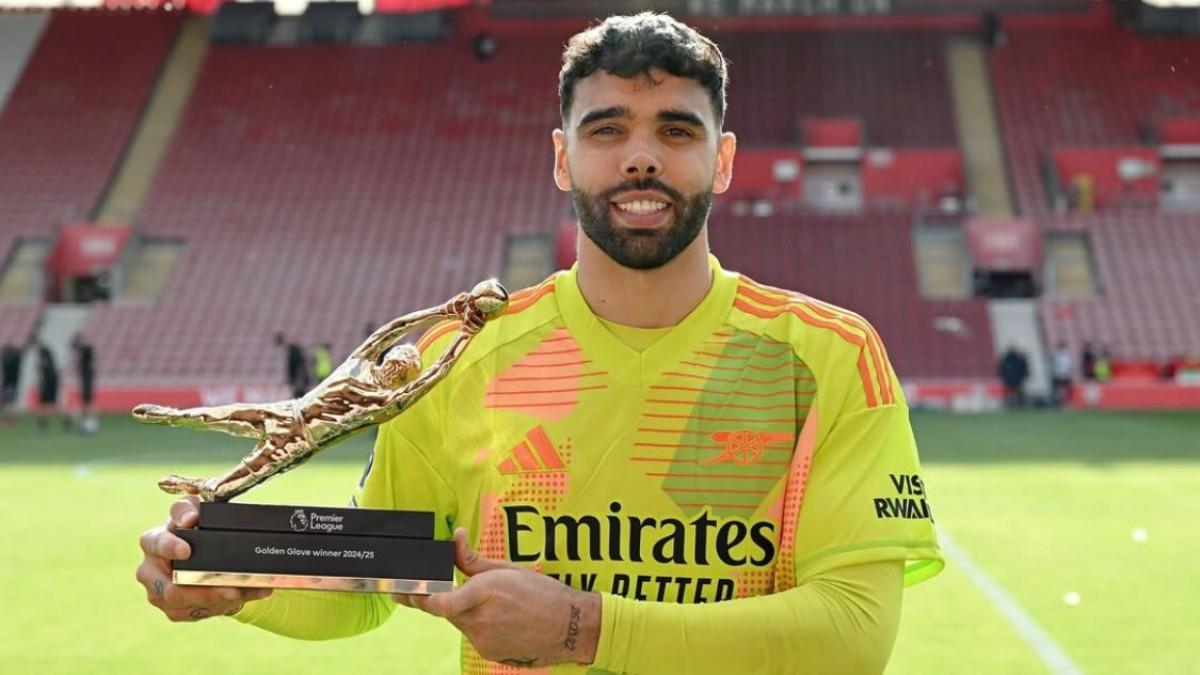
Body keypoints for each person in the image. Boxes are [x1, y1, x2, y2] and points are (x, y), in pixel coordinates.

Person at [137, 14, 942, 674]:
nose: (640, 156)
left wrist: (583, 628)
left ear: (722, 161)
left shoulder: (829, 355)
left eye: (676, 130)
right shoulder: (459, 355)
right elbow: (370, 583)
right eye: (607, 129)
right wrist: (237, 577)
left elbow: (854, 631)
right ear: (563, 158)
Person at [72, 333, 98, 434]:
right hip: (85, 379)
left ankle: (90, 422)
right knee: (86, 402)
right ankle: (88, 422)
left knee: (88, 402)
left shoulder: (86, 349)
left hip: (87, 379)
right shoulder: (83, 350)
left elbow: (81, 348)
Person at [275, 332, 310, 398]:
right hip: (297, 379)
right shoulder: (292, 351)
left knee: (300, 396)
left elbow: (297, 367)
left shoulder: (294, 352)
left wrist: (296, 378)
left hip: (298, 378)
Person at [35, 343, 61, 431]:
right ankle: (43, 423)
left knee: (45, 403)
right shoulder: (51, 361)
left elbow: (43, 364)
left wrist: (37, 366)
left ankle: (43, 423)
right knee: (48, 403)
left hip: (49, 382)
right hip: (50, 381)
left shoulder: (44, 353)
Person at [1, 342, 22, 428]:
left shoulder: (8, 361)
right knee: (11, 404)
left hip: (9, 384)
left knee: (8, 404)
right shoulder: (16, 360)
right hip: (13, 384)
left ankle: (9, 421)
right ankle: (11, 421)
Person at [1050, 341, 1073, 407]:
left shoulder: (1059, 355)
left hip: (1061, 375)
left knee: (1062, 390)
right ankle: (1061, 403)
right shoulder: (1062, 355)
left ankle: (1062, 403)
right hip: (1061, 375)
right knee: (1061, 390)